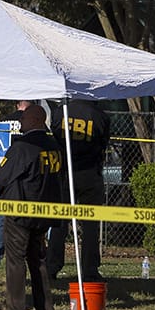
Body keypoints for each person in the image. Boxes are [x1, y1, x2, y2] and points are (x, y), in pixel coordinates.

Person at [0, 103, 64, 310]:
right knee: (38, 259)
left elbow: (1, 177)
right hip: (44, 211)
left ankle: (15, 308)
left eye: (23, 119)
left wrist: (1, 188)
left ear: (34, 120)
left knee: (16, 259)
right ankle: (45, 307)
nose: (20, 123)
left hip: (20, 210)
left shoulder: (22, 147)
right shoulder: (55, 146)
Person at [47, 96, 109, 280]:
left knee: (59, 223)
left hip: (65, 172)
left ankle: (52, 266)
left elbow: (55, 136)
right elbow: (103, 143)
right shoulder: (100, 116)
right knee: (90, 225)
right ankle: (89, 269)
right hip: (90, 173)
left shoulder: (61, 112)